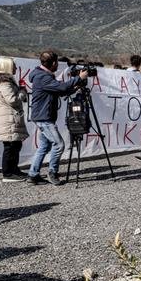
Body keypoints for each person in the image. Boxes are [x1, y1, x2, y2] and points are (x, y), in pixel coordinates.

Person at [27, 51, 87, 185]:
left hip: (44, 116)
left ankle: (33, 174)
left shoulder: (44, 76)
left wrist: (75, 87)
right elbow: (61, 86)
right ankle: (52, 173)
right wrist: (79, 78)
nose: (58, 65)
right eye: (57, 63)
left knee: (44, 146)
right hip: (44, 117)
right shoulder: (43, 77)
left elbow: (60, 91)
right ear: (53, 63)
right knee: (59, 144)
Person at [0, 58, 28, 182]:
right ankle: (8, 173)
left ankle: (14, 170)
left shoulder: (5, 82)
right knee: (10, 146)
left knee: (15, 145)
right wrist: (21, 92)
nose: (15, 68)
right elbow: (12, 100)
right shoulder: (5, 83)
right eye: (13, 66)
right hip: (9, 119)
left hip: (10, 118)